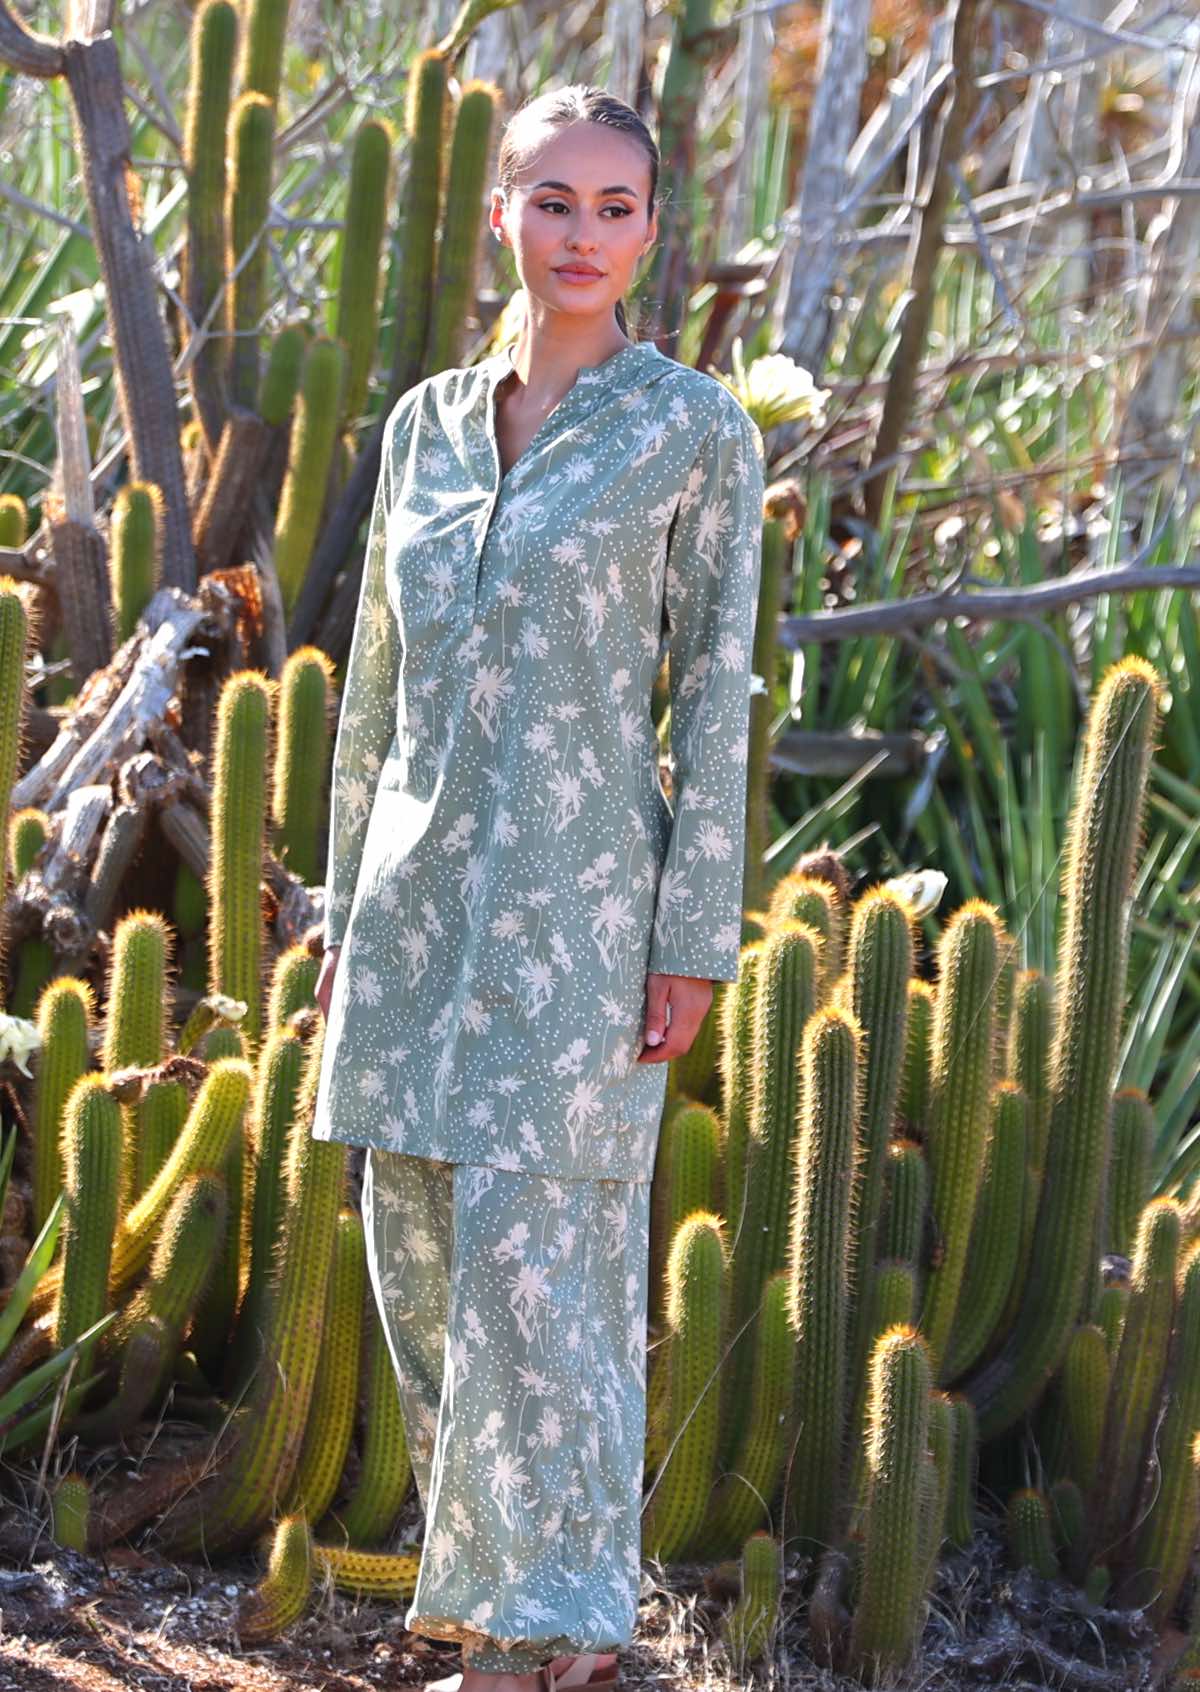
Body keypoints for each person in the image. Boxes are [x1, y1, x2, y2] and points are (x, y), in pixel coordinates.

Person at [311, 82, 766, 1692]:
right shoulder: (426, 424)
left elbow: (716, 694)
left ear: (652, 227)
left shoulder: (693, 431)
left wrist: (692, 935)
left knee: (544, 1273)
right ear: (500, 211)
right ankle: (510, 1597)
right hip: (413, 903)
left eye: (616, 206)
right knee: (417, 1255)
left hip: (583, 920)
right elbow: (374, 681)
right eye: (553, 200)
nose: (584, 235)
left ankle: (543, 1625)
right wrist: (336, 910)